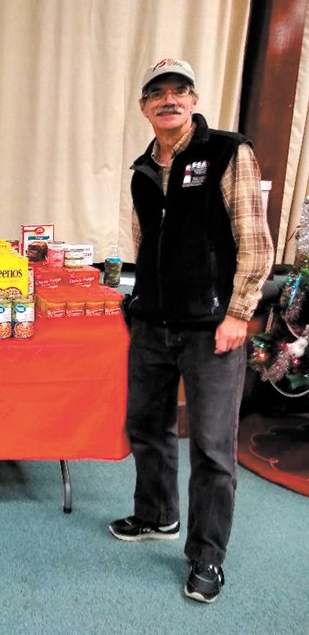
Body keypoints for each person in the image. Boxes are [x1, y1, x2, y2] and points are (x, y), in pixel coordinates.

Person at [109, 58, 274, 603]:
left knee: (210, 445)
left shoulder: (229, 152)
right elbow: (143, 245)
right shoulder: (140, 168)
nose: (169, 100)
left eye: (180, 90)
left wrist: (237, 314)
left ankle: (207, 556)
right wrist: (136, 303)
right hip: (153, 324)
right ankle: (157, 515)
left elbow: (256, 242)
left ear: (194, 100)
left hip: (212, 329)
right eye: (158, 93)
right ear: (144, 107)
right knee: (147, 428)